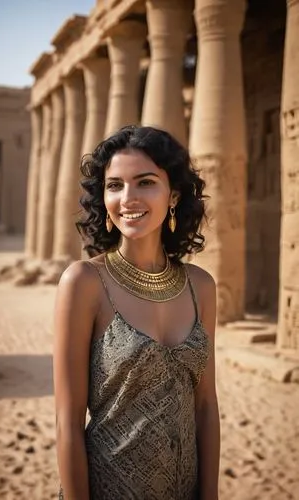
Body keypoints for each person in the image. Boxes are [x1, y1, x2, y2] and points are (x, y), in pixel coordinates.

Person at [54, 125, 220, 500]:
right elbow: (67, 422)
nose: (128, 197)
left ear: (173, 195)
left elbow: (206, 405)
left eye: (145, 182)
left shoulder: (201, 287)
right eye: (115, 185)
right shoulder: (84, 283)